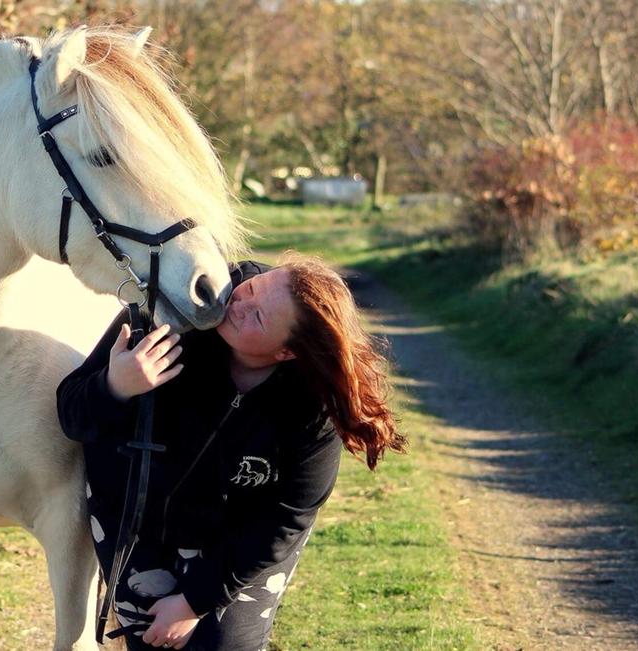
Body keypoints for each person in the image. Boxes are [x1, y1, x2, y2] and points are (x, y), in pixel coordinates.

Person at [56, 252, 406, 651]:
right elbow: (72, 414)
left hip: (238, 542)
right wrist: (115, 385)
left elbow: (288, 516)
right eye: (252, 289)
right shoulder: (173, 311)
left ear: (286, 352)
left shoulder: (313, 405)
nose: (238, 304)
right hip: (136, 522)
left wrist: (192, 602)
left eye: (258, 316)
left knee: (224, 644)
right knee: (150, 642)